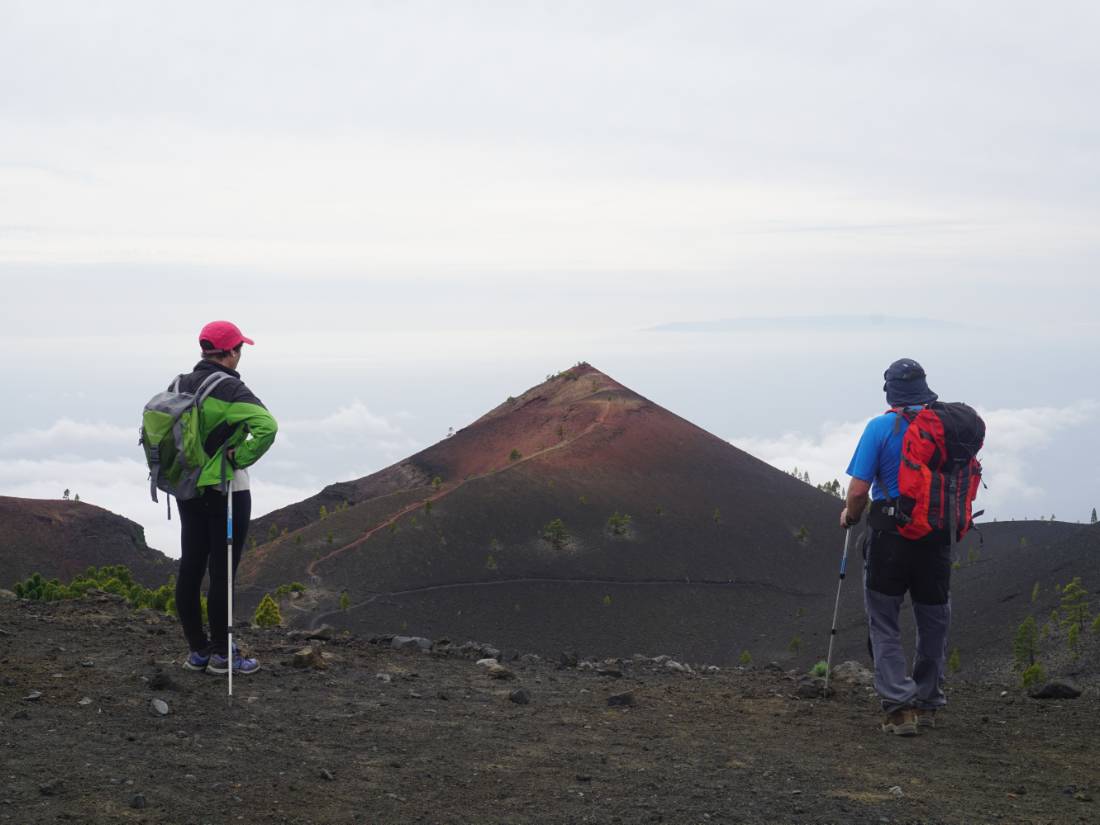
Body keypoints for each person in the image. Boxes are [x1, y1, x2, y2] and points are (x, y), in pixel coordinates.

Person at [840, 358, 950, 736]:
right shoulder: (945, 428)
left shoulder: (881, 427)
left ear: (890, 391)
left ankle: (899, 710)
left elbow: (857, 490)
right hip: (936, 537)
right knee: (933, 620)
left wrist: (850, 516)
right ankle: (928, 702)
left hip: (890, 537)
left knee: (884, 621)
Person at [175, 320, 278, 675]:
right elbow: (268, 426)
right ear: (232, 352)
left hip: (186, 488)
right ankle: (223, 655)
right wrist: (240, 457)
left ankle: (198, 651)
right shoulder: (231, 389)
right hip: (226, 490)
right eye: (239, 349)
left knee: (190, 566)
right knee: (222, 573)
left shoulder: (180, 384)